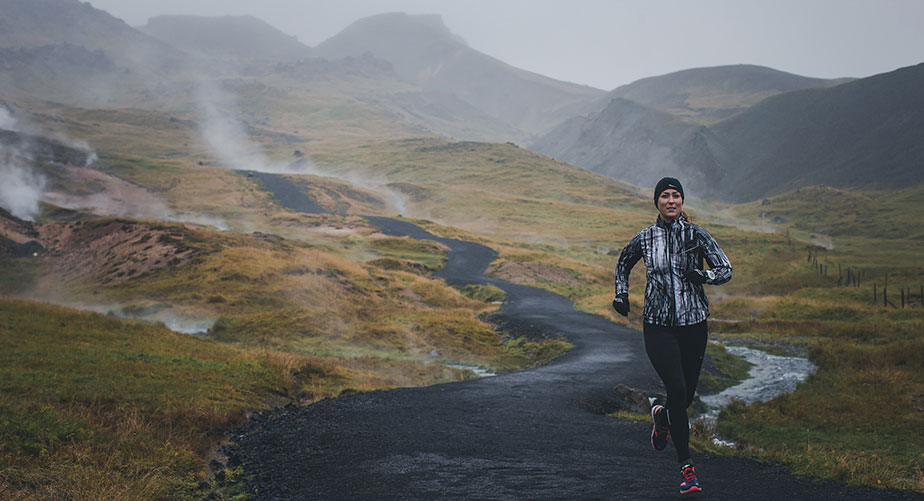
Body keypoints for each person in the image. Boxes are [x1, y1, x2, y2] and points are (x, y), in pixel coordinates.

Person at [612, 177, 732, 496]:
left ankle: (661, 416)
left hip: (694, 324)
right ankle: (687, 468)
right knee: (676, 388)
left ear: (682, 201)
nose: (670, 200)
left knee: (685, 398)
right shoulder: (646, 238)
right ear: (657, 202)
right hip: (658, 325)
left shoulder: (696, 235)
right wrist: (621, 296)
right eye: (664, 196)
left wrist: (703, 275)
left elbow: (725, 269)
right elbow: (623, 263)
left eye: (675, 195)